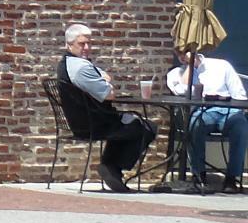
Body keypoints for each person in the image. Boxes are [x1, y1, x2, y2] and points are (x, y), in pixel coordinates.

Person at [58, 23, 154, 193]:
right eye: (82, 44)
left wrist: (103, 78)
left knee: (129, 124)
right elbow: (109, 95)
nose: (87, 48)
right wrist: (105, 82)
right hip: (95, 123)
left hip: (82, 122)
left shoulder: (68, 64)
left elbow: (105, 76)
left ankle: (111, 168)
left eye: (89, 43)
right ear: (69, 45)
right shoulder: (81, 68)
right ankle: (112, 166)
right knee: (147, 127)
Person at [167, 48, 248, 192]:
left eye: (185, 51)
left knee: (240, 125)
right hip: (202, 112)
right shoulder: (176, 73)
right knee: (195, 124)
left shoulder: (221, 65)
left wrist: (227, 101)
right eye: (179, 53)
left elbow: (239, 95)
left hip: (227, 111)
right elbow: (182, 91)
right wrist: (190, 65)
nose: (182, 56)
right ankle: (199, 175)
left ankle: (232, 178)